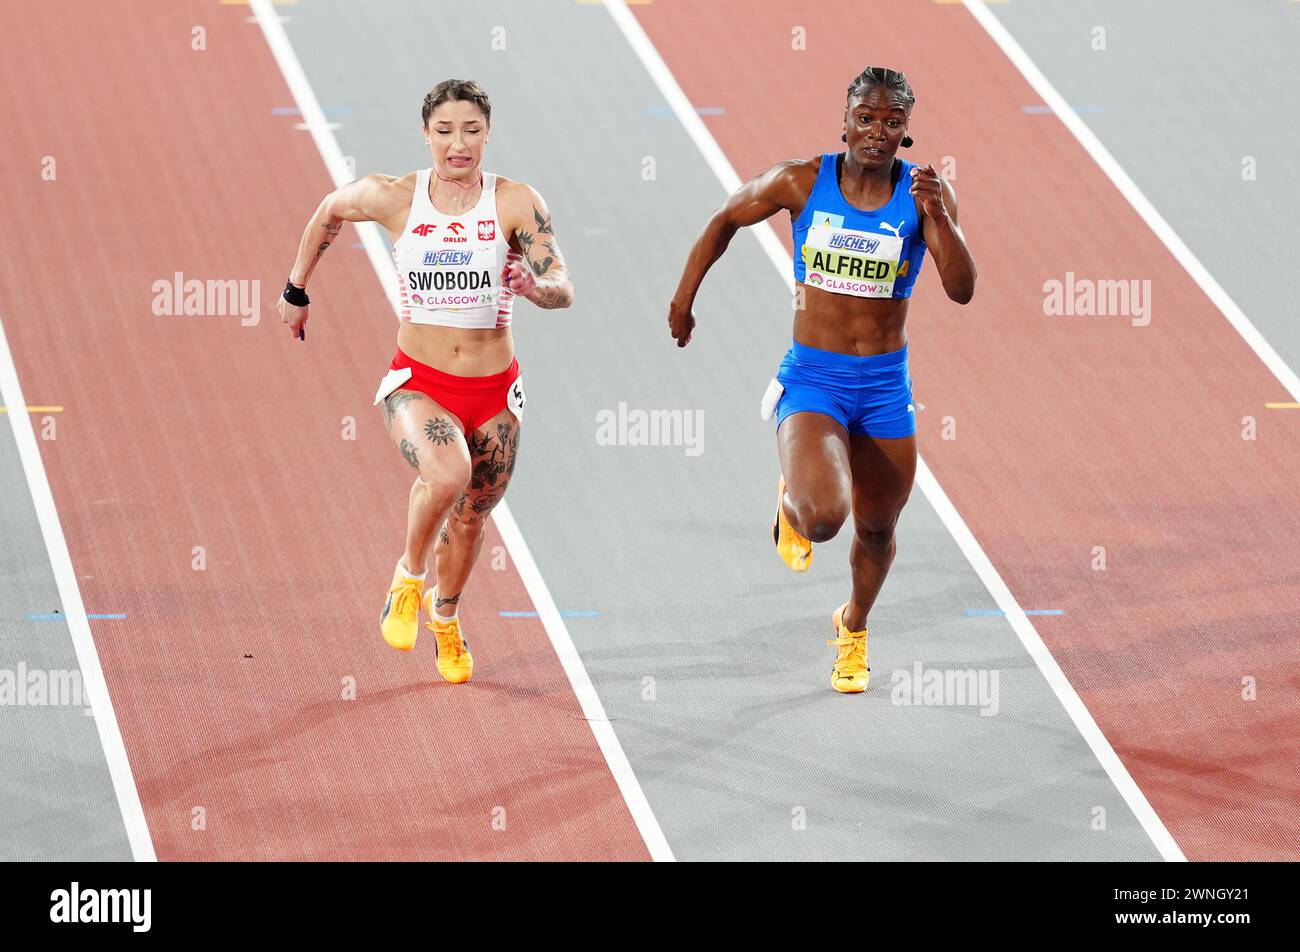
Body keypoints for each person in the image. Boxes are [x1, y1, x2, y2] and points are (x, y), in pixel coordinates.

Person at [668, 67, 976, 693]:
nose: (877, 133)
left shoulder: (922, 199)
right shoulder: (801, 181)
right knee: (824, 518)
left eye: (892, 123)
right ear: (845, 120)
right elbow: (726, 218)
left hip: (886, 387)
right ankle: (792, 501)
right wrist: (683, 299)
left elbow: (963, 289)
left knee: (878, 529)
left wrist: (939, 217)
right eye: (866, 118)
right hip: (814, 379)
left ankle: (853, 628)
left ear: (905, 132)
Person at [276, 79, 573, 684]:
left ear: (487, 133)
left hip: (494, 394)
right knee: (447, 473)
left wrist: (532, 287)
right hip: (421, 381)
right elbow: (328, 212)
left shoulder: (515, 202)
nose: (457, 144)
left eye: (470, 131)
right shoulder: (395, 197)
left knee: (471, 517)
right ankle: (407, 581)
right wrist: (296, 288)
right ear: (426, 134)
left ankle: (446, 617)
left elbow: (562, 287)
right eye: (444, 131)